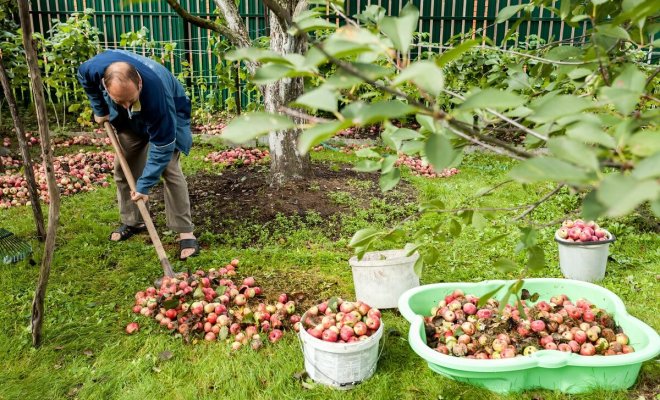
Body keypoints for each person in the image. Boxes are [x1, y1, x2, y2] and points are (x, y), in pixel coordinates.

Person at [77, 49, 199, 260]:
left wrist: (144, 186)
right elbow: (85, 80)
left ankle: (184, 230)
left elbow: (162, 147)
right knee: (123, 169)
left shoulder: (157, 95)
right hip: (128, 122)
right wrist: (100, 109)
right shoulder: (92, 69)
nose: (126, 105)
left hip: (168, 114)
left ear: (139, 84)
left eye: (130, 100)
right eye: (119, 101)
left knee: (170, 170)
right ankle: (134, 220)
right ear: (106, 86)